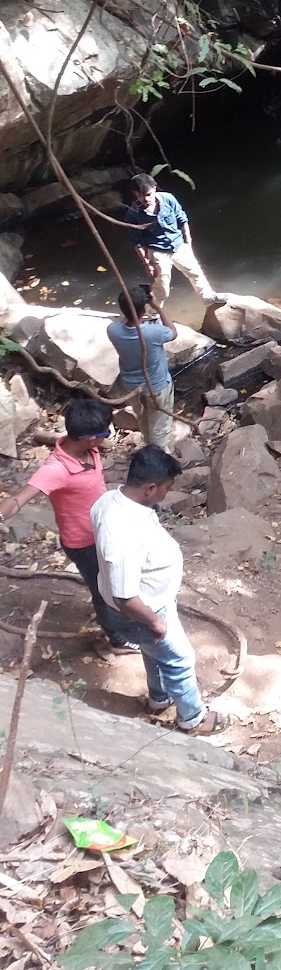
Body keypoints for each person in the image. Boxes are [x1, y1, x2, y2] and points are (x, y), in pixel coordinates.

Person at [91, 444, 225, 734]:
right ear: (150, 488)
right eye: (167, 487)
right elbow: (125, 596)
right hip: (142, 610)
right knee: (179, 658)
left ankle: (158, 697)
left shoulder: (109, 501)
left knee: (153, 652)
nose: (167, 492)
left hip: (147, 603)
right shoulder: (125, 532)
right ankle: (192, 718)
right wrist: (155, 622)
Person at [0, 399, 138, 652]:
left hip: (103, 532)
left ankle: (119, 614)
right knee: (103, 590)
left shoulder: (89, 451)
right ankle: (117, 638)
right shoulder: (56, 469)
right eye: (106, 433)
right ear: (89, 438)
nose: (108, 436)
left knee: (112, 581)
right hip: (83, 542)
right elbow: (20, 498)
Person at [124, 173, 225, 308]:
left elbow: (182, 219)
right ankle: (152, 313)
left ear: (154, 189)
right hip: (157, 251)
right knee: (162, 288)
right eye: (140, 195)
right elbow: (137, 243)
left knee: (195, 273)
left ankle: (209, 298)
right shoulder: (133, 214)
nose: (145, 199)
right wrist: (146, 263)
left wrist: (188, 243)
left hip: (179, 245)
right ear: (135, 194)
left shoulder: (168, 199)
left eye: (148, 194)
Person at [106, 284, 178, 450]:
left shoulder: (113, 330)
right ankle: (160, 457)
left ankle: (148, 446)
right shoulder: (153, 333)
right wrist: (157, 306)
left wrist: (132, 308)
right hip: (157, 386)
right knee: (160, 423)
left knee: (142, 419)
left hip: (131, 386)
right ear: (144, 309)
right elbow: (173, 331)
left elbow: (124, 320)